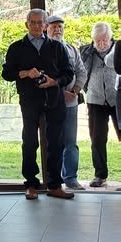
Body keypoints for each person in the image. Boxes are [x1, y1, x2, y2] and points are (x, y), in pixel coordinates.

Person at [2, 9, 74, 199]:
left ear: (45, 25)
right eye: (32, 22)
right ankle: (31, 184)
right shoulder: (16, 47)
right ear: (27, 24)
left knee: (56, 142)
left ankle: (54, 185)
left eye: (40, 22)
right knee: (29, 142)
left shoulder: (57, 47)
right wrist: (25, 73)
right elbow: (6, 74)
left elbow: (68, 73)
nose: (36, 26)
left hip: (54, 100)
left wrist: (54, 82)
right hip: (29, 100)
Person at [45, 15, 87, 191]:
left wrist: (74, 92)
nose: (58, 30)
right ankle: (53, 181)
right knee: (53, 142)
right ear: (47, 28)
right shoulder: (43, 49)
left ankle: (70, 178)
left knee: (70, 142)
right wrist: (60, 93)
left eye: (60, 27)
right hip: (50, 103)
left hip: (71, 103)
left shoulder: (72, 49)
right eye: (54, 26)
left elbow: (81, 72)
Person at [80, 22, 119, 189]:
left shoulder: (118, 49)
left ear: (110, 38)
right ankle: (100, 175)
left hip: (117, 99)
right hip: (95, 100)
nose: (101, 44)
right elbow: (80, 71)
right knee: (97, 139)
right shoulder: (86, 51)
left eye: (105, 40)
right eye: (98, 40)